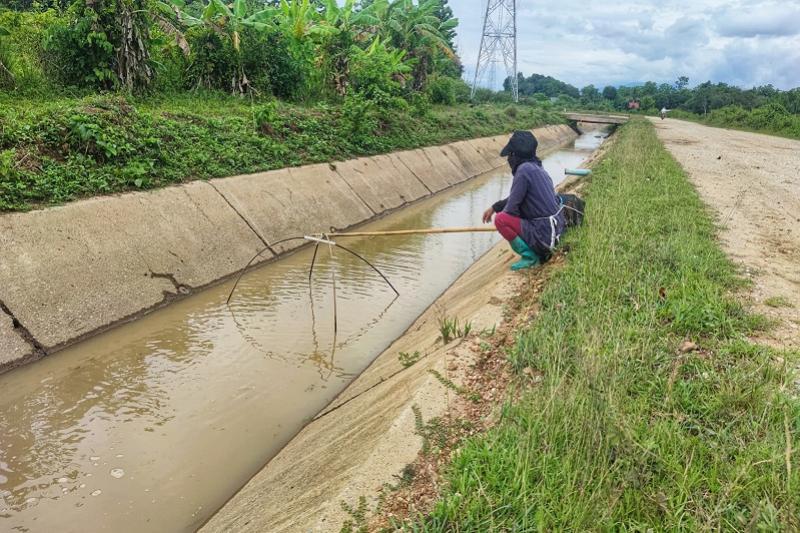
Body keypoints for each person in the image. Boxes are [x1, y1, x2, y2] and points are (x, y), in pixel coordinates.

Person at [482, 130, 566, 271]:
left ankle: (530, 257)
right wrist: (495, 207)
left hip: (544, 237)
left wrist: (504, 215)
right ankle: (534, 252)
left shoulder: (523, 171)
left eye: (510, 155)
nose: (509, 159)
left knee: (501, 219)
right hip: (554, 232)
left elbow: (511, 210)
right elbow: (517, 197)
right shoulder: (537, 167)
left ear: (515, 155)